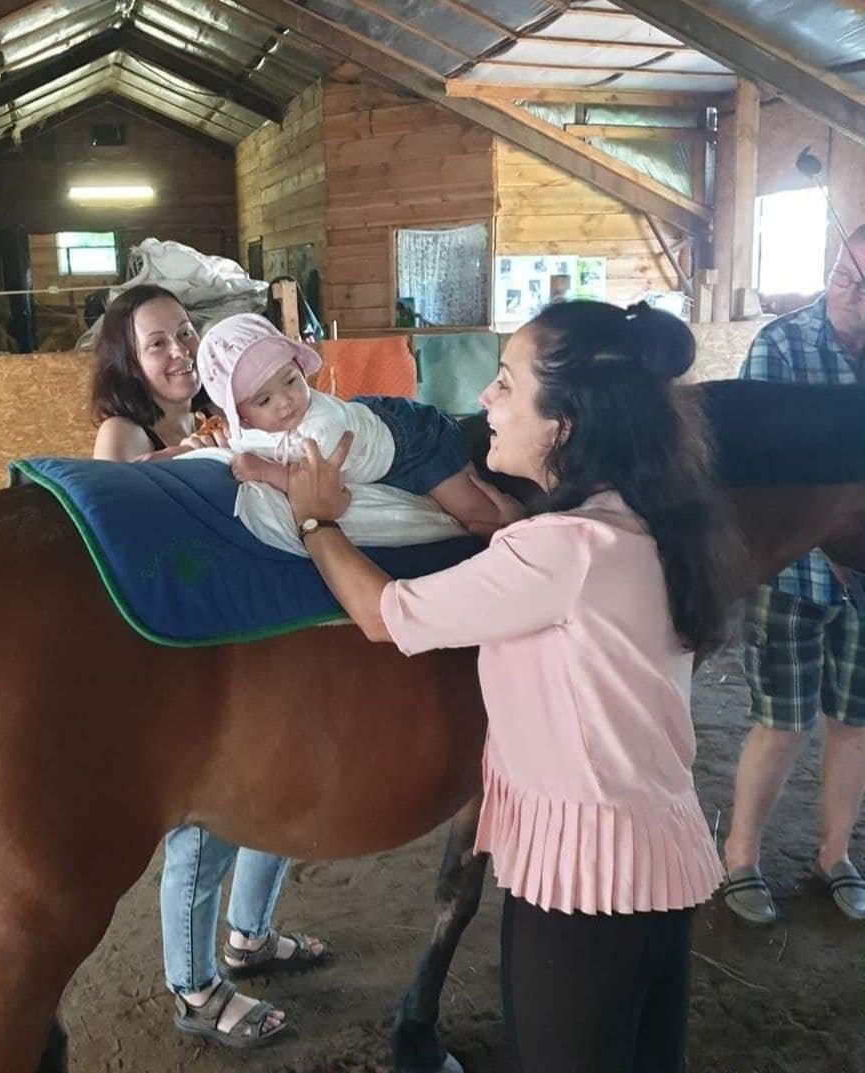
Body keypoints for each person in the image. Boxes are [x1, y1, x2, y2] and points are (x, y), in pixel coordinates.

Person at [281, 299, 738, 1073]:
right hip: (657, 860)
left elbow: (386, 614)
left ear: (563, 424)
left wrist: (317, 522)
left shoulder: (563, 550)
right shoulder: (647, 521)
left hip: (584, 884)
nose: (485, 401)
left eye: (505, 384)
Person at [90, 284, 327, 1047]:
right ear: (129, 357)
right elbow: (120, 522)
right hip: (171, 656)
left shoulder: (204, 418)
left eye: (185, 333)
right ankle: (194, 988)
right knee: (206, 817)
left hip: (227, 636)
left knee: (275, 788)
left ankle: (249, 936)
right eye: (157, 341)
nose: (178, 350)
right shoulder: (122, 434)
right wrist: (189, 454)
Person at [722, 226, 865, 925]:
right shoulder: (780, 347)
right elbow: (757, 477)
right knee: (780, 723)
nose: (847, 287)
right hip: (795, 573)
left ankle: (833, 855)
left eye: (864, 282)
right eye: (844, 271)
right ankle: (740, 858)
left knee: (856, 721)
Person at [194, 313, 514, 537]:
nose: (285, 401)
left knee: (479, 520)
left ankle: (525, 525)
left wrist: (266, 472)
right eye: (264, 400)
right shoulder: (249, 428)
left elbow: (323, 488)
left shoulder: (324, 428)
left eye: (291, 380)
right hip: (366, 422)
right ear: (243, 416)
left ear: (299, 368)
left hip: (413, 442)